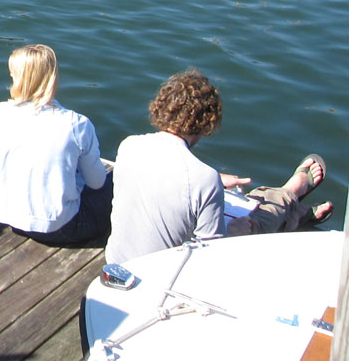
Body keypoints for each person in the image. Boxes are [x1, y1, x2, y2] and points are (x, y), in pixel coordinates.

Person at [105, 69, 333, 265]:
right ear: (208, 122)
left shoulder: (129, 146)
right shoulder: (203, 179)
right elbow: (212, 258)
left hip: (117, 261)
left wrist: (216, 181)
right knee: (253, 221)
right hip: (163, 276)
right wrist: (238, 228)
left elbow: (161, 178)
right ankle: (290, 195)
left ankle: (295, 210)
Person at [0, 44, 112, 245]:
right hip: (59, 227)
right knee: (114, 183)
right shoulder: (77, 124)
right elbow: (96, 183)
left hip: (7, 215)